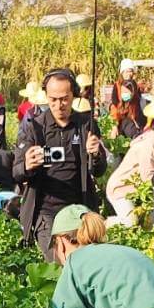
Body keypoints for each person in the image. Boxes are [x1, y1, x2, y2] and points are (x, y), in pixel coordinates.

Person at [12, 69, 107, 260]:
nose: (58, 105)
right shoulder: (34, 127)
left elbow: (98, 171)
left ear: (74, 95)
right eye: (53, 99)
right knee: (59, 262)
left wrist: (95, 154)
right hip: (46, 210)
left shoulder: (86, 125)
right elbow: (16, 172)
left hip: (80, 208)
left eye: (64, 98)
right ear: (46, 96)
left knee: (87, 261)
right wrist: (27, 166)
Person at [105, 107, 154, 221]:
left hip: (136, 191)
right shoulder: (151, 143)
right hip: (121, 189)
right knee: (130, 222)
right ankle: (99, 227)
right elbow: (147, 176)